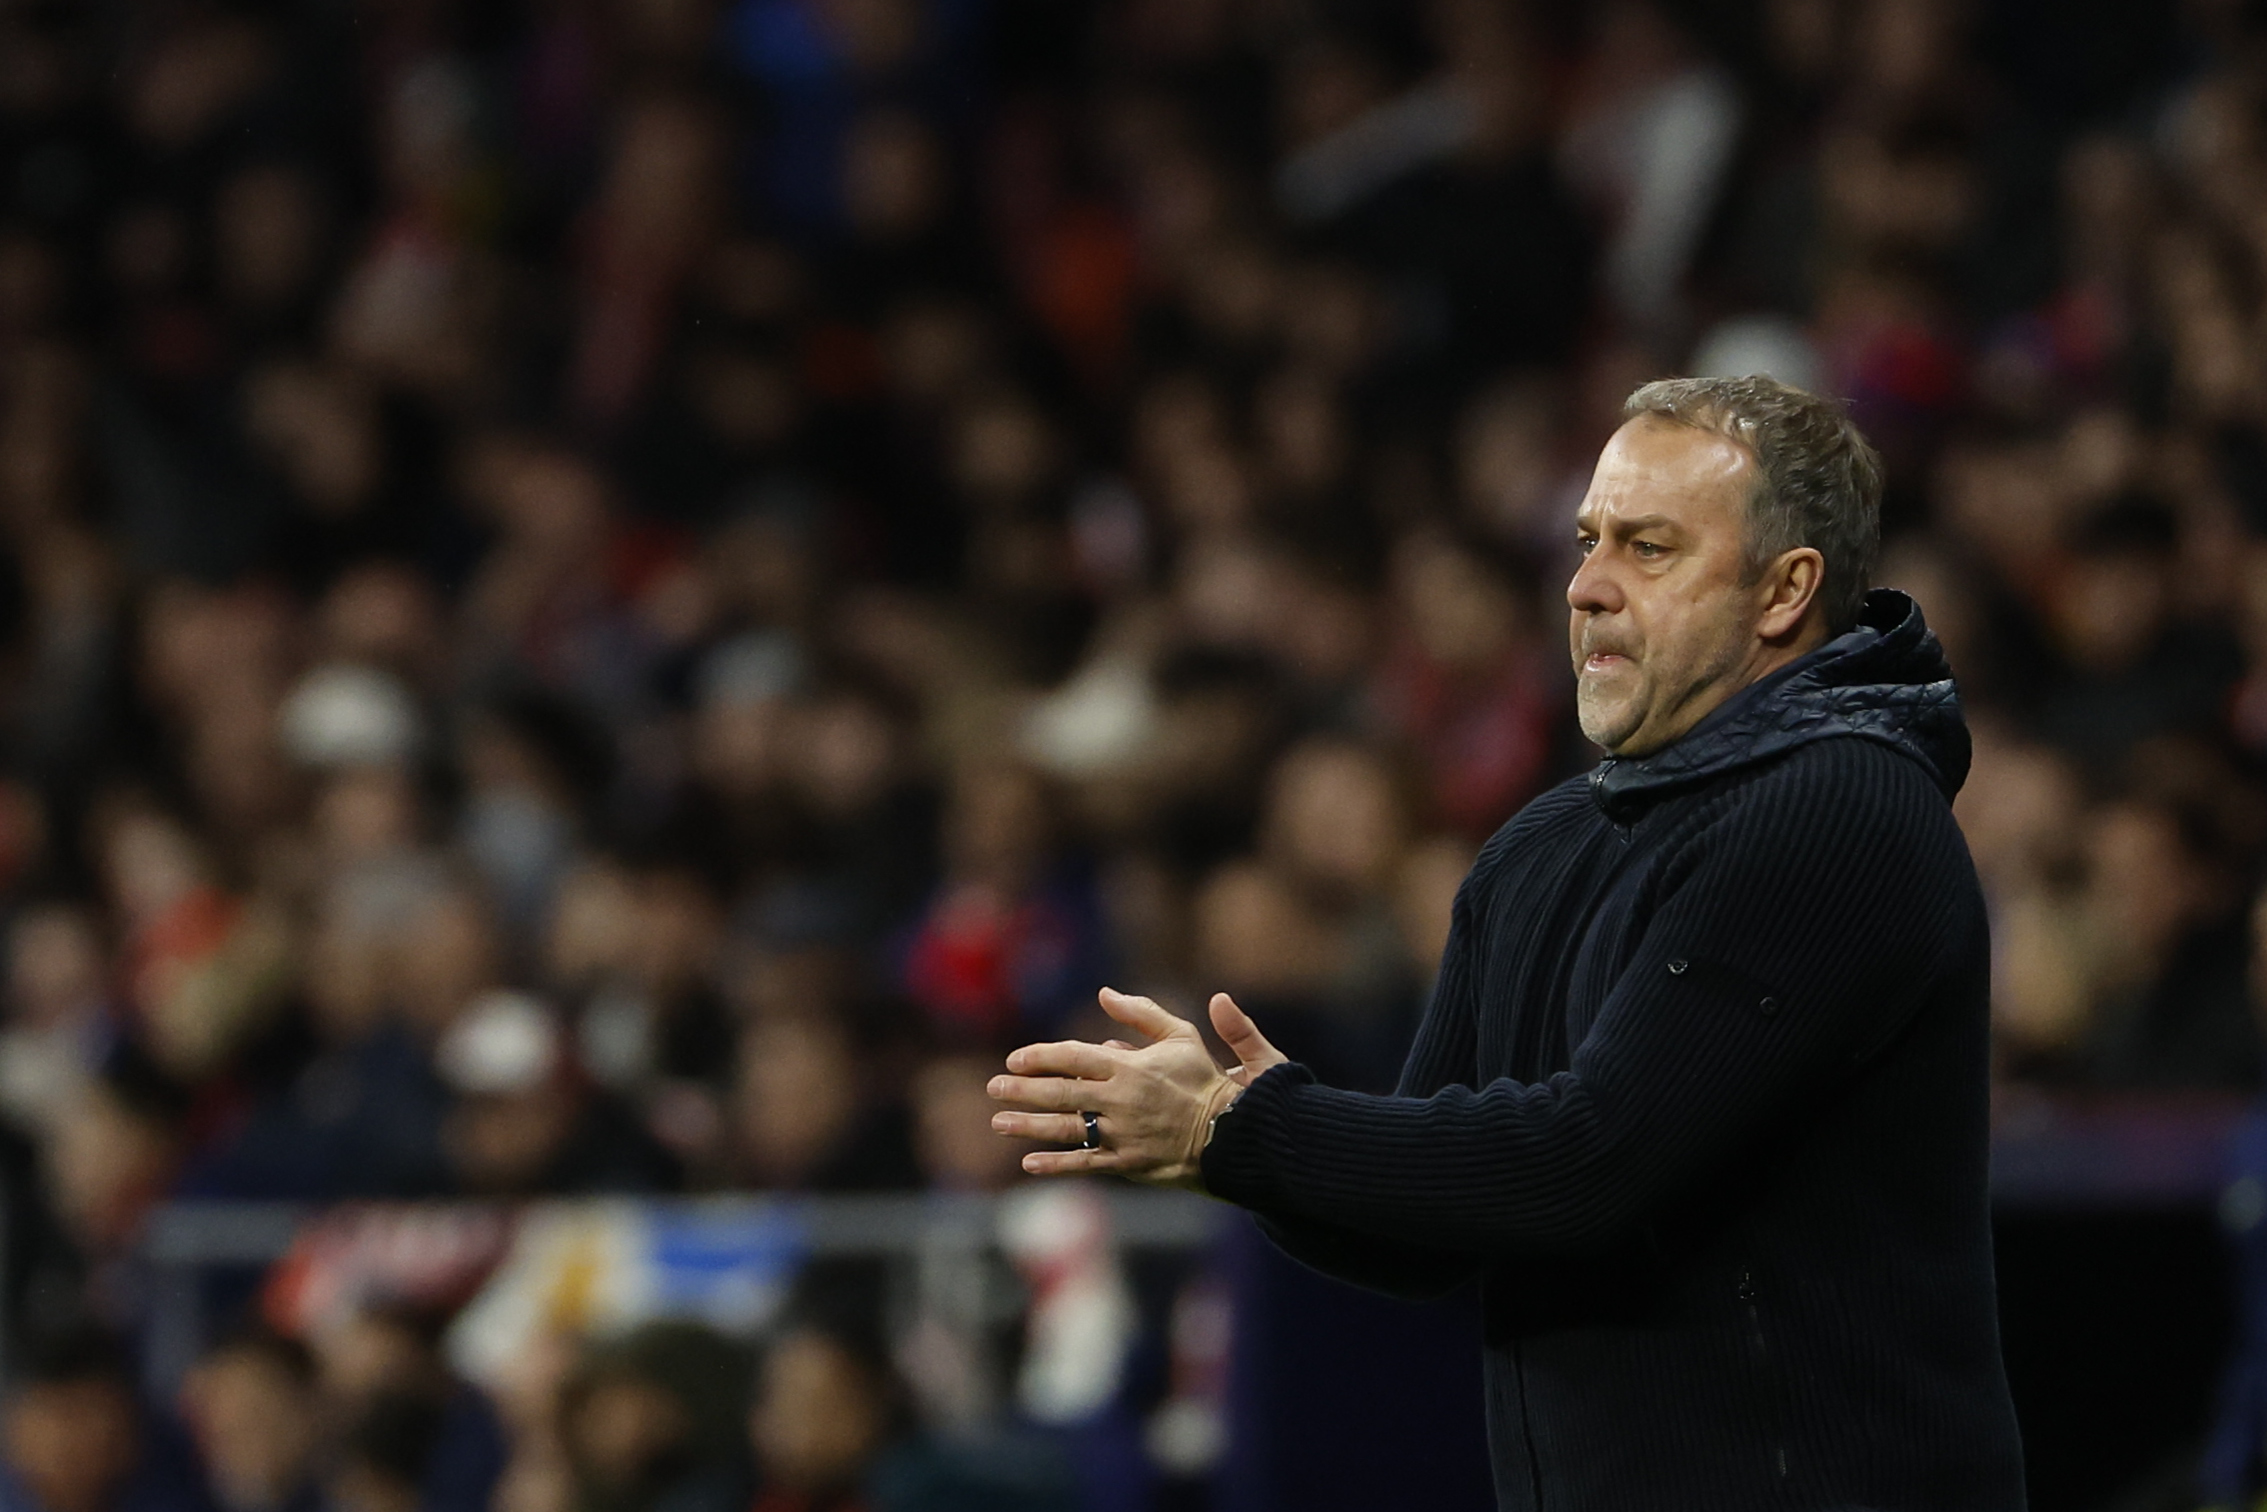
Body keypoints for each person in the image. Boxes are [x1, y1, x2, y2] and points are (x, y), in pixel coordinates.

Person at [989, 375, 2029, 1509]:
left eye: (1647, 548)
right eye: (1586, 542)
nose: (1585, 587)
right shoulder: (1542, 846)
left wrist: (1244, 1128)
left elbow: (1590, 1163)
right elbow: (1426, 1236)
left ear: (1783, 591)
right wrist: (1223, 1148)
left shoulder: (1839, 810)